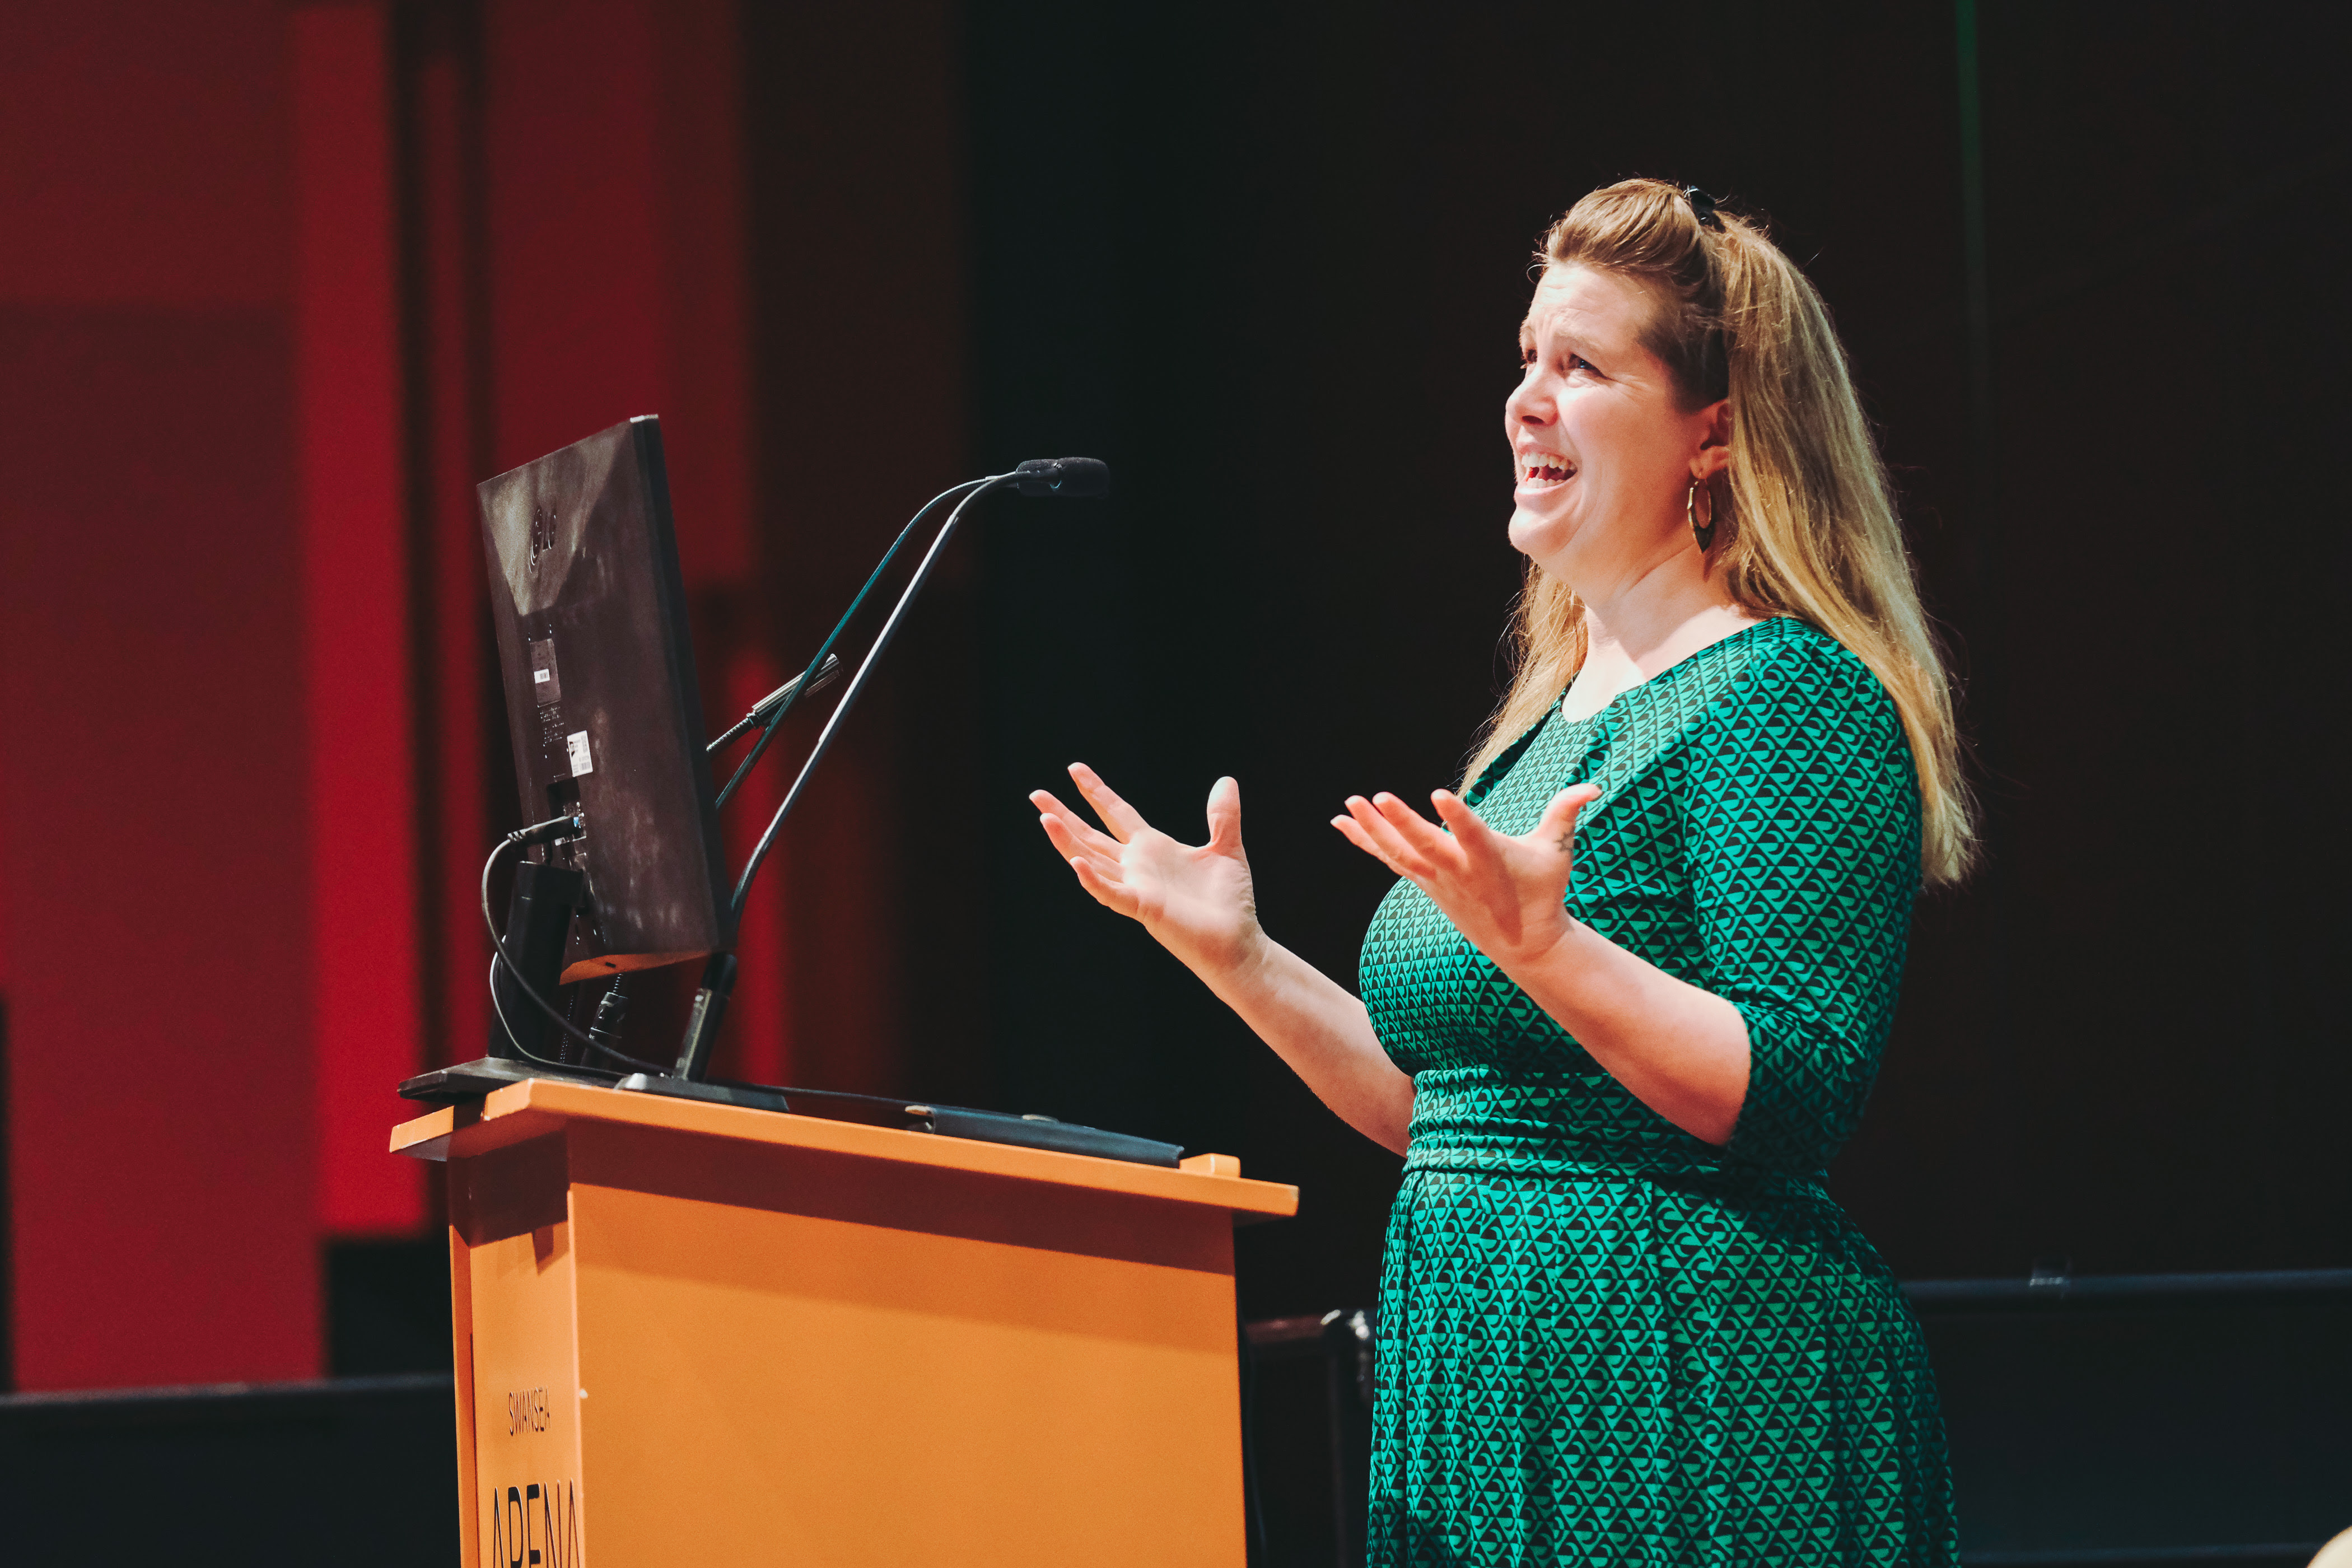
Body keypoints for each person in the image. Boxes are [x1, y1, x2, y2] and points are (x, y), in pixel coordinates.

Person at [1030, 177, 1971, 1566]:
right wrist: (1239, 955)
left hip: (1687, 1381)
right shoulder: (1542, 720)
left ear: (1711, 430)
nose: (1527, 400)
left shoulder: (1784, 693)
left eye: (1582, 367)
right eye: (1526, 359)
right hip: (1486, 1364)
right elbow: (1458, 1116)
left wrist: (1551, 951)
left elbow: (1797, 1090)